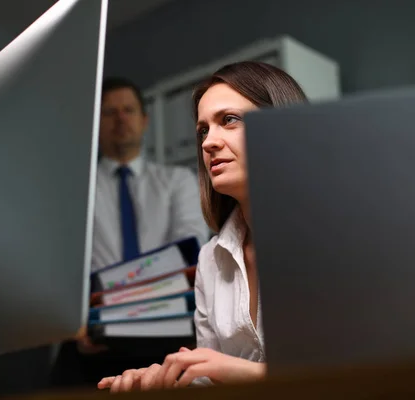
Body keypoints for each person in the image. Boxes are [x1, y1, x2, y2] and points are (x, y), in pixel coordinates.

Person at [97, 61, 308, 393]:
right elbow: (210, 381)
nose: (209, 142)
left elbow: (369, 373)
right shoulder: (211, 259)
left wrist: (246, 374)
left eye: (229, 120)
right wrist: (164, 380)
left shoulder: (335, 237)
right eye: (203, 130)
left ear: (281, 124)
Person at [50, 77, 209, 387]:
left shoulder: (179, 181)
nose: (120, 119)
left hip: (167, 329)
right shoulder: (72, 189)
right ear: (96, 122)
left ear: (144, 119)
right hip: (90, 333)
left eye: (128, 110)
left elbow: (187, 252)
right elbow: (59, 264)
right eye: (109, 112)